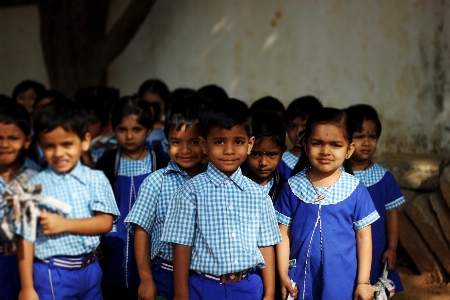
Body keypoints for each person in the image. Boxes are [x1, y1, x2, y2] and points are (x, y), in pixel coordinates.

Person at [162, 98, 282, 300]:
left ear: (250, 144)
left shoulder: (259, 195)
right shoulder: (190, 192)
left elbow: (265, 245)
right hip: (204, 287)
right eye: (219, 141)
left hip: (249, 286)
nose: (229, 150)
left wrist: (269, 294)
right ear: (204, 144)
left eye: (238, 141)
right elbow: (182, 246)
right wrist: (181, 294)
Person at [15, 100, 120, 300]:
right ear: (40, 145)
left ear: (85, 141)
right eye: (49, 146)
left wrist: (63, 224)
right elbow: (25, 239)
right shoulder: (30, 186)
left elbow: (105, 222)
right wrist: (27, 288)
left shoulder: (96, 179)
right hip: (53, 273)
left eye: (67, 144)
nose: (59, 153)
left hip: (91, 269)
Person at [275, 107, 379, 300]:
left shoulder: (355, 189)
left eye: (335, 145)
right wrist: (282, 275)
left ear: (349, 150)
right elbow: (283, 235)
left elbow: (364, 239)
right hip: (300, 279)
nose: (326, 151)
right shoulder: (292, 186)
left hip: (343, 282)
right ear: (305, 145)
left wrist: (363, 282)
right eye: (317, 143)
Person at [124, 96, 204, 300]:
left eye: (193, 142)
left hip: (205, 276)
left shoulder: (215, 182)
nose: (185, 150)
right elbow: (141, 230)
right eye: (176, 142)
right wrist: (146, 279)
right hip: (165, 274)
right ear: (166, 143)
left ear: (204, 142)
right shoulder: (156, 182)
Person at [96, 96, 167, 299]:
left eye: (136, 129)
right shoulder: (107, 162)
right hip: (113, 242)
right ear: (114, 129)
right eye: (122, 129)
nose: (129, 136)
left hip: (153, 241)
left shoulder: (160, 162)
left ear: (149, 130)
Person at [346, 104, 404, 294]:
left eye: (372, 137)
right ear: (346, 139)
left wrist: (392, 248)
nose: (367, 142)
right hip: (344, 248)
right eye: (359, 136)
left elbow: (391, 214)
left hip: (376, 249)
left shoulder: (384, 178)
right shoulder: (336, 176)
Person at [0, 99, 41, 300]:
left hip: (29, 262)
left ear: (27, 141)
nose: (4, 145)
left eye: (12, 138)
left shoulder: (36, 175)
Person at [243, 112, 287, 203]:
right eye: (255, 154)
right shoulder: (233, 185)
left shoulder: (285, 188)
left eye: (271, 154)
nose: (263, 163)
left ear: (282, 152)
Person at [278, 96, 322, 179]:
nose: (298, 133)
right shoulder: (280, 160)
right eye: (292, 126)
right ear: (286, 127)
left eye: (305, 126)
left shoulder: (325, 159)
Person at [74, 86, 119, 167]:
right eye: (82, 120)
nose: (85, 126)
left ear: (104, 124)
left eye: (92, 122)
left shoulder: (112, 147)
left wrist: (88, 160)